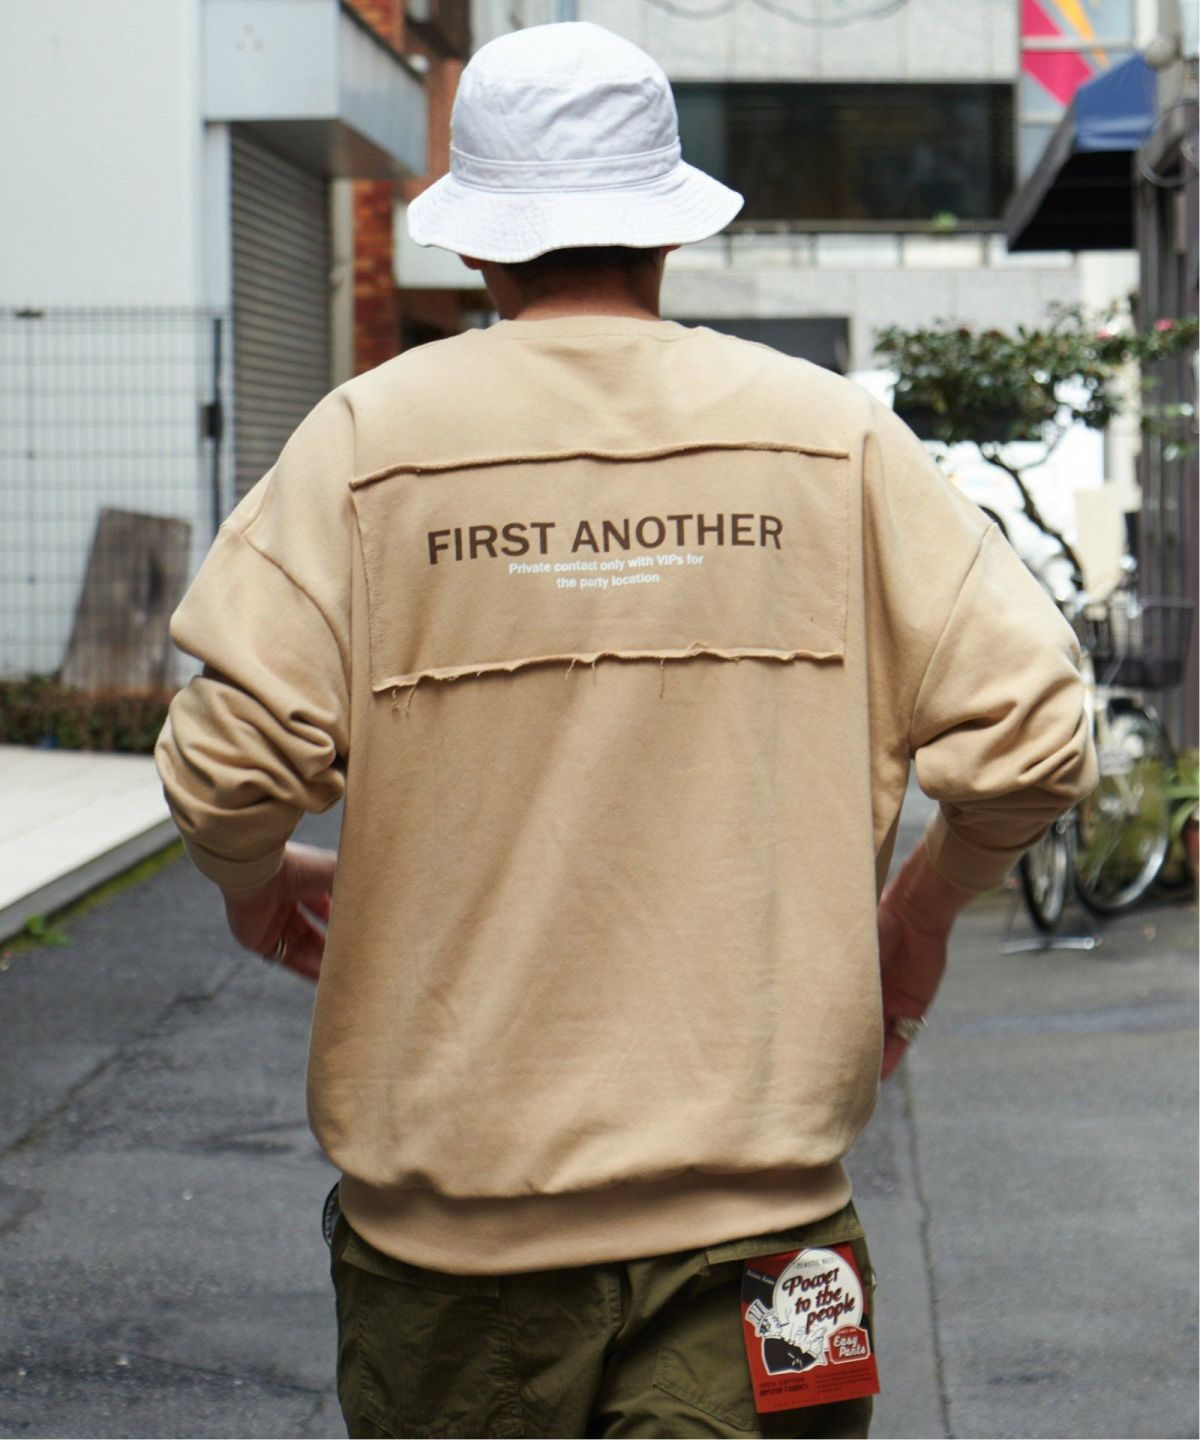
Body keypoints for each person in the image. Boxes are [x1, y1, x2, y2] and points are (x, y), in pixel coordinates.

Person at [154, 21, 1096, 1439]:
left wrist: (251, 887)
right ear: (669, 231)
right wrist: (919, 913)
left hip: (448, 1263)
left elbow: (230, 771)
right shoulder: (828, 437)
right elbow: (1034, 733)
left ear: (479, 244)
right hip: (775, 1248)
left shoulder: (366, 443)